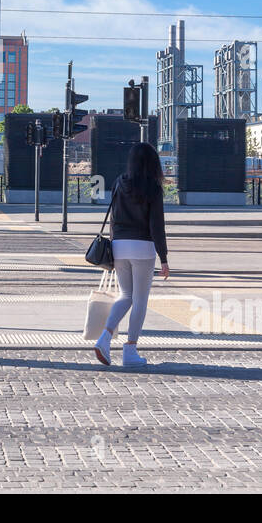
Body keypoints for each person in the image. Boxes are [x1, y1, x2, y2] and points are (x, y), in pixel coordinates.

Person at [94, 142, 169, 368]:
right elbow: (157, 226)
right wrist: (163, 258)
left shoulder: (119, 182)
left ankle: (104, 338)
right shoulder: (153, 188)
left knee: (125, 295)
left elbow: (114, 218)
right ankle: (130, 351)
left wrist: (115, 246)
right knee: (139, 301)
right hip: (142, 248)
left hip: (119, 245)